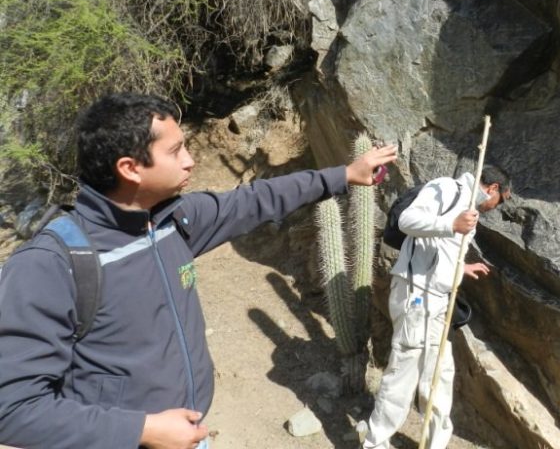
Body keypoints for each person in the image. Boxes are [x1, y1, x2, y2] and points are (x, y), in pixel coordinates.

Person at [0, 91, 397, 449]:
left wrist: (343, 176)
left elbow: (255, 200)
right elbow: (12, 409)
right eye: (175, 152)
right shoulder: (51, 265)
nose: (190, 160)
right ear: (130, 168)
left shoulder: (173, 221)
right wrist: (143, 430)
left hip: (188, 436)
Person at [360, 166, 511, 449]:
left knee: (440, 375)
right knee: (404, 373)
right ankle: (375, 443)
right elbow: (407, 220)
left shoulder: (468, 210)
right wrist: (451, 225)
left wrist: (461, 267)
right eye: (500, 201)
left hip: (437, 300)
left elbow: (439, 250)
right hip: (416, 294)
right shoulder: (447, 189)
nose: (496, 207)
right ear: (492, 189)